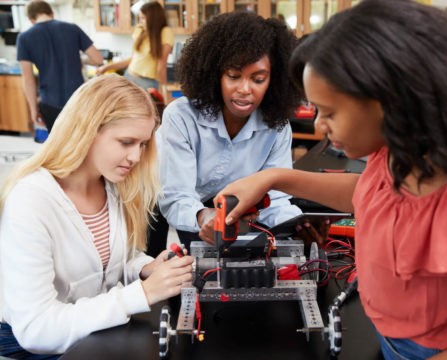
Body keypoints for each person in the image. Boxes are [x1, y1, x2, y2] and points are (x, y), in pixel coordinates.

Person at [215, 1, 447, 359]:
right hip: (388, 337)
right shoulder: (396, 149)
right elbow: (368, 193)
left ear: (391, 100)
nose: (319, 125)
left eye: (330, 112)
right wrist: (272, 178)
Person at [0, 74, 194, 358]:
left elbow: (108, 264)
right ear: (87, 129)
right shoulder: (31, 199)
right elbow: (36, 329)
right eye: (126, 142)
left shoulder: (111, 186)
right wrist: (140, 294)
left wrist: (143, 268)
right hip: (32, 347)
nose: (137, 157)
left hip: (93, 332)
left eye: (142, 144)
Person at [154, 11, 322, 254]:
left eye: (258, 79)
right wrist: (204, 216)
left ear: (273, 81)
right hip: (183, 206)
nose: (245, 89)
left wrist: (297, 224)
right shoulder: (181, 117)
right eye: (233, 76)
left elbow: (275, 199)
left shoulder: (277, 127)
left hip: (234, 212)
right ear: (215, 75)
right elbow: (177, 197)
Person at [16, 0, 104, 132]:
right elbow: (98, 59)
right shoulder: (72, 28)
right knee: (81, 142)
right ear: (51, 13)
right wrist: (80, 60)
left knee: (58, 146)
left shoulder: (24, 38)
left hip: (49, 102)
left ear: (31, 19)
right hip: (78, 99)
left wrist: (33, 110)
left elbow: (28, 80)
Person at [96, 1, 173, 93]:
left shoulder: (165, 32)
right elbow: (133, 59)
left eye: (143, 18)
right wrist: (106, 67)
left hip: (147, 83)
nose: (140, 21)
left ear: (154, 18)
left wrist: (163, 89)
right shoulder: (141, 31)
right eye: (140, 18)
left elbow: (162, 65)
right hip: (128, 76)